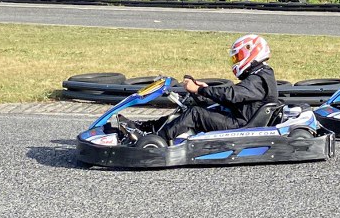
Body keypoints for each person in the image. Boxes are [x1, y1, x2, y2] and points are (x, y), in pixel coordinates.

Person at [118, 34, 279, 144]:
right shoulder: (261, 75)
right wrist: (206, 89)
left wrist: (199, 90)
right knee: (192, 107)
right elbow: (238, 96)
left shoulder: (260, 78)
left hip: (241, 124)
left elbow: (232, 94)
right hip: (239, 116)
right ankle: (146, 127)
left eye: (237, 57)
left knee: (195, 114)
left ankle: (154, 140)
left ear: (252, 53)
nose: (235, 62)